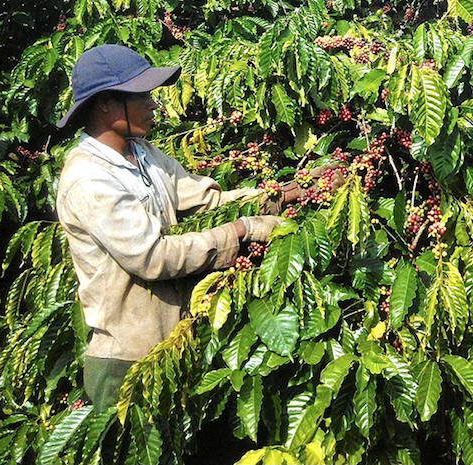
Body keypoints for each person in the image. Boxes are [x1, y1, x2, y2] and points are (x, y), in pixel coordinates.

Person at [55, 44, 301, 412]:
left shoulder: (144, 155)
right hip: (127, 361)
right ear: (107, 103)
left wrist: (283, 194)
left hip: (177, 343)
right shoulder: (88, 178)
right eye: (143, 96)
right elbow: (152, 257)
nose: (155, 105)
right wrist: (240, 231)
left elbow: (208, 201)